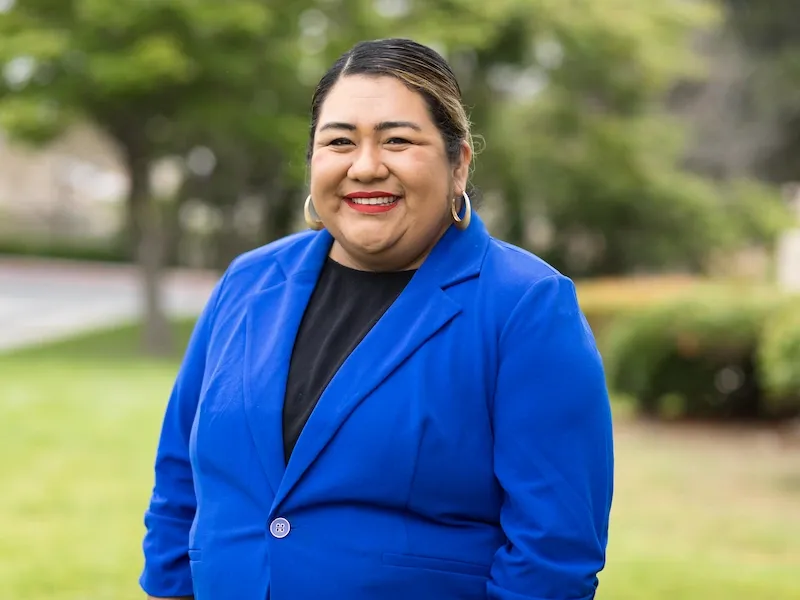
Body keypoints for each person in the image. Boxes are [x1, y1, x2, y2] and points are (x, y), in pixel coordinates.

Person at [140, 38, 614, 600]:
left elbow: (554, 551)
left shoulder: (525, 306)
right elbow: (180, 479)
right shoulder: (248, 281)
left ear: (458, 163)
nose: (365, 167)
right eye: (339, 141)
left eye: (397, 140)